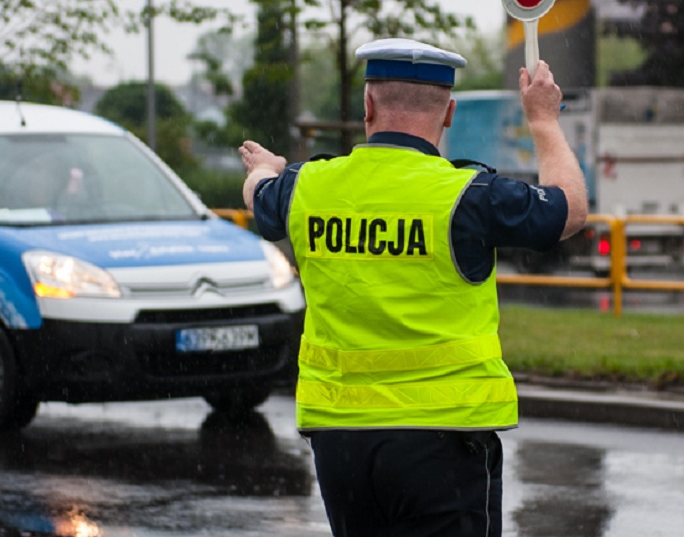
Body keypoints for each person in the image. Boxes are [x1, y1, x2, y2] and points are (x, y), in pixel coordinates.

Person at [238, 37, 588, 536]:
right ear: (448, 113)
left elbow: (261, 197)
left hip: (341, 441)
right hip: (441, 439)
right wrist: (544, 121)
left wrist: (264, 169)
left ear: (368, 104)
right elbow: (569, 209)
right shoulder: (469, 195)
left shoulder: (305, 187)